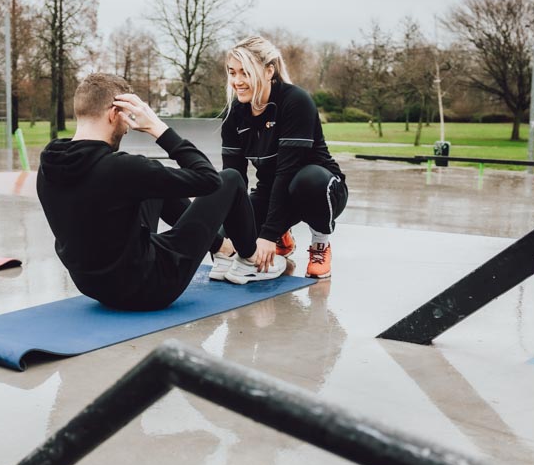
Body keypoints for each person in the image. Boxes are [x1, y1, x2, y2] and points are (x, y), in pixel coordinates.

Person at [36, 73, 286, 311]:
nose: (127, 129)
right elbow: (209, 180)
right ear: (114, 114)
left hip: (93, 285)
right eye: (126, 119)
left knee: (153, 184)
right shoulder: (122, 169)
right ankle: (250, 259)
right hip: (149, 287)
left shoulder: (49, 167)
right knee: (230, 179)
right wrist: (159, 129)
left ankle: (222, 249)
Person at [218, 35, 348, 279]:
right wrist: (233, 235)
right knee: (227, 233)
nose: (237, 81)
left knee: (307, 180)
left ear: (269, 71)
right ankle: (282, 234)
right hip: (272, 192)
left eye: (246, 72)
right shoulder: (234, 113)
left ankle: (320, 243)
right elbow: (233, 178)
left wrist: (267, 234)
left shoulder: (295, 101)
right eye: (232, 73)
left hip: (320, 190)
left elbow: (287, 171)